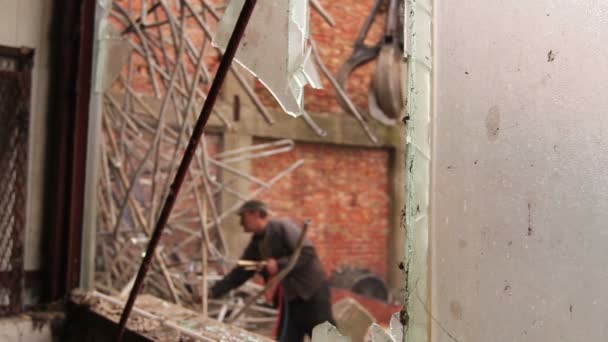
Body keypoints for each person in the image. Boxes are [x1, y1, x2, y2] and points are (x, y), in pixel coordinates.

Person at [210, 199, 336, 341]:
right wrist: (213, 291)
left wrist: (279, 264)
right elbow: (241, 272)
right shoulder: (257, 242)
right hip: (291, 300)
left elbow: (307, 252)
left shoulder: (281, 227)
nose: (241, 223)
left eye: (243, 217)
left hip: (312, 293)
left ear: (255, 214)